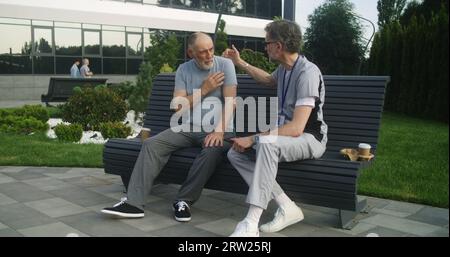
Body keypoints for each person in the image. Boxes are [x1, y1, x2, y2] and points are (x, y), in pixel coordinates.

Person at [102, 32, 238, 222]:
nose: (209, 56)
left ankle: (183, 201)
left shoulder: (225, 65)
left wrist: (219, 131)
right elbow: (178, 106)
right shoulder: (183, 70)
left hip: (220, 129)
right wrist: (204, 89)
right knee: (151, 144)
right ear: (191, 53)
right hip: (188, 126)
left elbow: (231, 102)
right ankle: (133, 204)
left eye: (211, 50)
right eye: (203, 52)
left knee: (212, 149)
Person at [222, 20, 328, 237]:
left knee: (266, 144)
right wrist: (240, 63)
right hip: (286, 135)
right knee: (235, 153)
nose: (265, 47)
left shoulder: (307, 72)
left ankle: (250, 223)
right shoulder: (285, 69)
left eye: (267, 43)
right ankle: (287, 206)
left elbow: (297, 128)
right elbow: (269, 80)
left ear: (278, 46)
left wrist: (252, 138)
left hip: (310, 138)